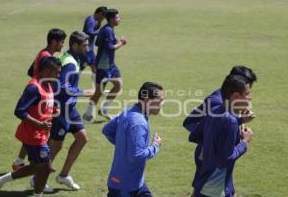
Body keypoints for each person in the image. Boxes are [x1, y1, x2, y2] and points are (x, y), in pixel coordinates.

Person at [0, 57, 62, 197]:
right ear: (48, 70)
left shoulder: (48, 84)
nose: (58, 75)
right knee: (45, 168)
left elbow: (43, 103)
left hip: (41, 134)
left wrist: (54, 108)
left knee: (37, 167)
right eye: (57, 72)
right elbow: (19, 111)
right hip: (33, 135)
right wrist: (39, 124)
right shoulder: (33, 88)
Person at [182, 66, 257, 196]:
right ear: (236, 93)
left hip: (211, 163)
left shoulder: (220, 109)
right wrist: (244, 142)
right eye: (247, 92)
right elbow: (225, 158)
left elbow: (194, 136)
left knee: (206, 188)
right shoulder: (217, 105)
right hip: (214, 168)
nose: (250, 97)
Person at [12, 28, 66, 172]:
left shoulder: (43, 54)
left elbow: (31, 71)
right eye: (62, 42)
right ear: (54, 42)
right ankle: (40, 167)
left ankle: (21, 162)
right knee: (39, 133)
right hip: (40, 99)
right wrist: (41, 90)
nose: (63, 45)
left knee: (35, 134)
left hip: (43, 98)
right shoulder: (46, 57)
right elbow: (36, 73)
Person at [48, 31, 94, 190]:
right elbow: (63, 87)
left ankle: (63, 175)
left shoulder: (70, 57)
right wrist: (84, 92)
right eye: (85, 45)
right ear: (75, 45)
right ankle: (37, 178)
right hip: (62, 108)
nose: (87, 48)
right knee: (56, 145)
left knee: (82, 139)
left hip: (70, 108)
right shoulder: (70, 62)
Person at [102, 82, 164, 197]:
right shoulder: (139, 123)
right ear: (146, 99)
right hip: (125, 186)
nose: (163, 104)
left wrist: (125, 146)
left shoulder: (128, 112)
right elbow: (137, 156)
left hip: (132, 182)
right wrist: (155, 145)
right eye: (160, 100)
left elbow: (107, 130)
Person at [83, 8, 127, 122]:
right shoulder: (107, 30)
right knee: (99, 91)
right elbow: (109, 48)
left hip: (109, 64)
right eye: (117, 17)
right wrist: (120, 43)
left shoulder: (108, 29)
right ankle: (88, 113)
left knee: (118, 84)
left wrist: (114, 41)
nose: (119, 19)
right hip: (103, 65)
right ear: (111, 19)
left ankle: (104, 110)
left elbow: (98, 43)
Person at [81, 6, 108, 75]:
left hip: (90, 49)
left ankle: (98, 84)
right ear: (100, 13)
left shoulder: (96, 20)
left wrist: (99, 23)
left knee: (95, 68)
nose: (103, 19)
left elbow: (95, 31)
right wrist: (100, 30)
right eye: (103, 17)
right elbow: (90, 32)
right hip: (86, 49)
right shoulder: (91, 20)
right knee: (81, 67)